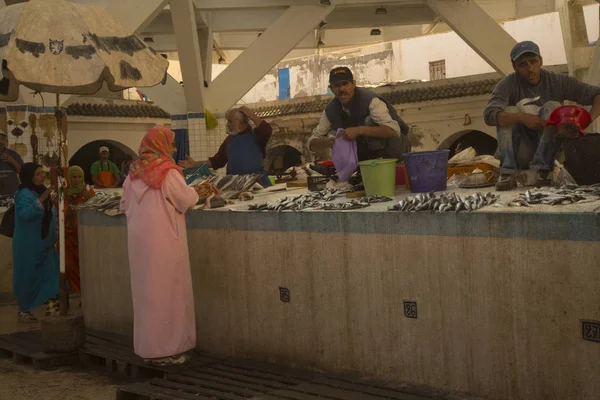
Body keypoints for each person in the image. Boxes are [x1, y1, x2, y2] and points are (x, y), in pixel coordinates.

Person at [119, 126, 199, 366]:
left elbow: (124, 206)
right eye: (172, 144)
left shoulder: (132, 174)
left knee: (147, 293)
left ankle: (148, 347)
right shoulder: (168, 172)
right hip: (165, 241)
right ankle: (168, 349)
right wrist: (196, 191)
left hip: (139, 243)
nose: (173, 149)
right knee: (168, 292)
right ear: (162, 145)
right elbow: (186, 200)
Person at [484, 41, 600, 190]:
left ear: (541, 61)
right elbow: (489, 114)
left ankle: (542, 172)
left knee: (552, 107)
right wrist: (521, 117)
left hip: (551, 152)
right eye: (523, 64)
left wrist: (587, 120)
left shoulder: (558, 81)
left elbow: (597, 94)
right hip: (522, 151)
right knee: (508, 111)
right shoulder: (507, 84)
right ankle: (507, 173)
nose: (530, 69)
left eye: (533, 62)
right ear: (514, 67)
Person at [308, 66, 411, 164]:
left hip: (396, 150)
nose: (342, 89)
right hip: (363, 160)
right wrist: (328, 142)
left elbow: (394, 130)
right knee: (334, 133)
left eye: (345, 84)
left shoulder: (370, 100)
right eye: (337, 85)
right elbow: (311, 143)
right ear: (331, 88)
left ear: (353, 84)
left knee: (369, 121)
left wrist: (358, 130)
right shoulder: (330, 110)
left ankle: (380, 163)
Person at [178, 106, 273, 187]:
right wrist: (195, 164)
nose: (228, 125)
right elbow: (217, 161)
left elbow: (267, 130)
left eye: (230, 122)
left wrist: (252, 115)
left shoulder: (257, 135)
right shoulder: (229, 140)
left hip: (258, 183)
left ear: (242, 123)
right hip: (236, 185)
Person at [12, 163, 59, 322]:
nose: (41, 176)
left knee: (51, 275)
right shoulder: (23, 194)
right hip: (29, 245)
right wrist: (44, 198)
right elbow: (25, 214)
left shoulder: (39, 190)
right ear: (28, 176)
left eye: (42, 173)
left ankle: (52, 309)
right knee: (28, 277)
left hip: (45, 243)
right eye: (38, 174)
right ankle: (24, 310)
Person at [64, 166, 95, 295]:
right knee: (71, 267)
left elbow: (95, 213)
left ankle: (87, 295)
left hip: (85, 238)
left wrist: (89, 199)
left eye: (80, 177)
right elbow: (62, 215)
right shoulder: (63, 194)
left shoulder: (89, 193)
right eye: (74, 177)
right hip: (69, 238)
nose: (77, 180)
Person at [0, 130, 23, 195]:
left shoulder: (13, 154)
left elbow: (22, 172)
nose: (0, 141)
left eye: (2, 139)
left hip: (12, 193)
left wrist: (12, 161)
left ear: (6, 141)